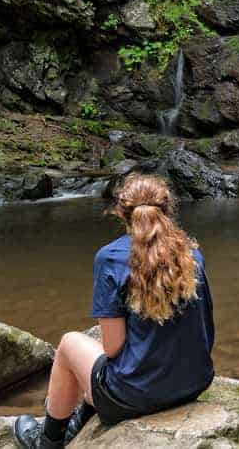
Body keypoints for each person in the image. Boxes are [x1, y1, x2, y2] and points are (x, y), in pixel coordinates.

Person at [14, 174, 215, 448]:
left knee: (69, 344)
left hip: (135, 398)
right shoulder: (192, 253)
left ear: (120, 211)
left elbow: (112, 348)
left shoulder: (110, 257)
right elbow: (205, 328)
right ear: (168, 208)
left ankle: (47, 440)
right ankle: (81, 418)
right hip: (194, 382)